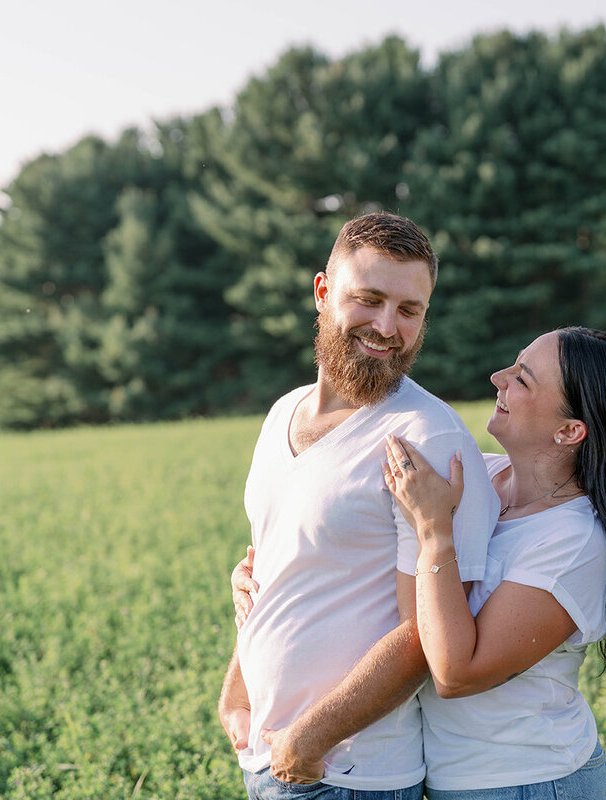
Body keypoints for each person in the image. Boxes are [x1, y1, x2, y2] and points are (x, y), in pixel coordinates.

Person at [217, 213, 499, 800]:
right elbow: (274, 568)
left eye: (409, 310)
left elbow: (426, 630)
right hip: (268, 757)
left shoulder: (427, 438)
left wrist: (309, 739)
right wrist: (237, 690)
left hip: (350, 775)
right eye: (368, 300)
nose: (386, 326)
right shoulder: (281, 414)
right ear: (323, 292)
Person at [379, 326, 606, 798]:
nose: (497, 377)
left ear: (569, 431)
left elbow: (456, 673)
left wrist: (434, 532)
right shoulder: (480, 473)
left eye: (522, 379)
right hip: (454, 777)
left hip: (527, 781)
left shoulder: (575, 541)